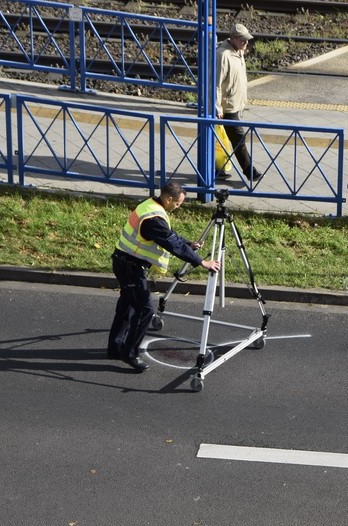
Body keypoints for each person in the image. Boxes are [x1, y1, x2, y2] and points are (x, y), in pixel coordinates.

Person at [108, 182, 220, 372]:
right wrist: (201, 262)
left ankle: (115, 347)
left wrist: (187, 244)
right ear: (169, 199)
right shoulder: (154, 218)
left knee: (127, 306)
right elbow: (170, 242)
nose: (178, 207)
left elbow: (169, 236)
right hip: (130, 267)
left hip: (124, 261)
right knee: (145, 310)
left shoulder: (151, 205)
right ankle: (130, 353)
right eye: (177, 204)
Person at [216, 23, 263, 182]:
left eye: (247, 40)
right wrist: (217, 107)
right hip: (226, 107)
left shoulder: (238, 52)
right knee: (238, 139)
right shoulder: (223, 55)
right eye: (243, 40)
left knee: (219, 140)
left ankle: (216, 169)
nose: (247, 43)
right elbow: (215, 83)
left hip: (235, 104)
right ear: (234, 39)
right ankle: (250, 171)